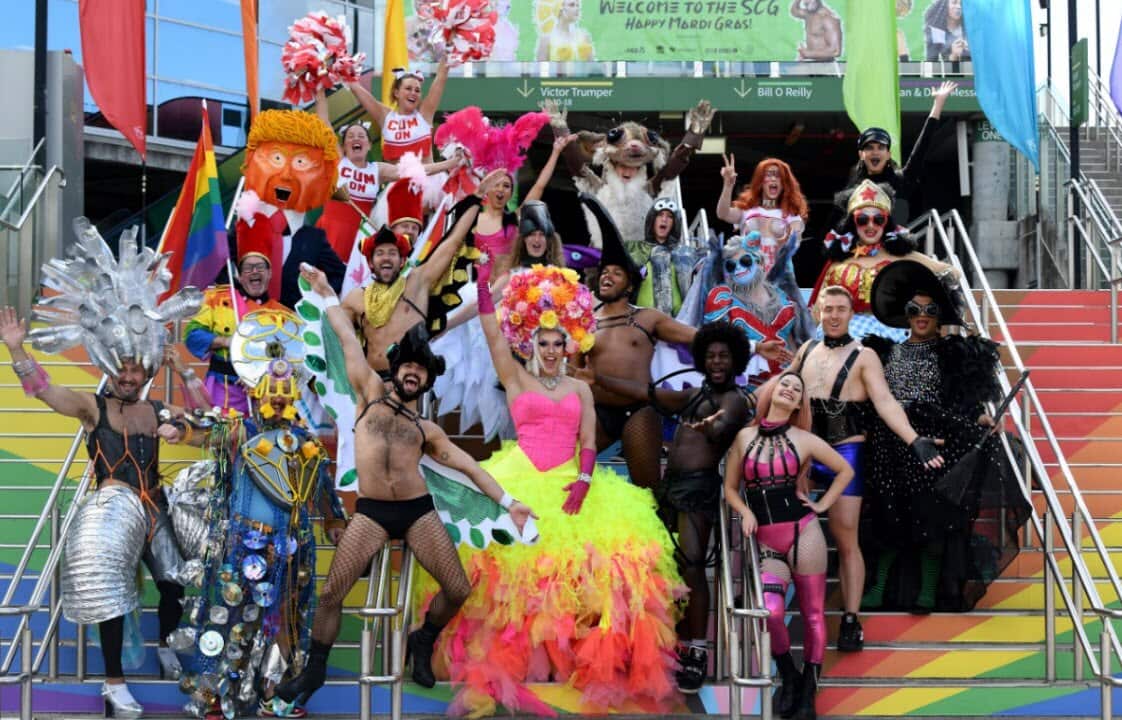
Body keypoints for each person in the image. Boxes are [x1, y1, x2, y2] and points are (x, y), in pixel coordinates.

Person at [414, 260, 684, 715]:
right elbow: (492, 334)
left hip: (571, 483)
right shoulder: (515, 377)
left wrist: (583, 481)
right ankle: (513, 659)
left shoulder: (580, 389)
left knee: (609, 565)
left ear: (569, 344)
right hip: (519, 478)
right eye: (544, 342)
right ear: (532, 344)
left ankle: (571, 662)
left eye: (559, 342)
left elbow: (588, 441)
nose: (553, 350)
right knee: (507, 570)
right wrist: (485, 291)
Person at [276, 268, 534, 708]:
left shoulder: (427, 429)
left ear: (427, 380)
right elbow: (346, 337)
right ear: (396, 370)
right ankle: (314, 668)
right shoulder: (368, 393)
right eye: (408, 366)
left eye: (421, 370)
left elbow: (471, 468)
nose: (413, 372)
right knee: (331, 593)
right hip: (371, 512)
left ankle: (424, 636)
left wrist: (510, 503)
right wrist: (326, 291)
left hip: (417, 512)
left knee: (458, 589)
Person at [580, 321, 754, 694]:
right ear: (702, 360)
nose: (717, 362)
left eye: (724, 356)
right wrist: (599, 379)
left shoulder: (735, 399)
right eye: (711, 356)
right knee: (667, 567)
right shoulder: (693, 394)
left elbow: (722, 427)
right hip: (670, 487)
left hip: (698, 489)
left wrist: (707, 425)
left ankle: (698, 651)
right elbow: (646, 392)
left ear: (736, 360)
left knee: (692, 565)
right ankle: (675, 641)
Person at [175, 345, 346, 719]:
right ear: (258, 395)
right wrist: (181, 429)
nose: (279, 401)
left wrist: (334, 522)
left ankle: (275, 693)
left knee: (286, 620)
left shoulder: (305, 442)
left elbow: (321, 487)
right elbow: (205, 432)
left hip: (292, 545)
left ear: (294, 398)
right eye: (273, 393)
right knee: (230, 615)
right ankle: (215, 694)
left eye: (285, 395)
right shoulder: (241, 431)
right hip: (244, 542)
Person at [861, 261, 1028, 613]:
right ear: (905, 314)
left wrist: (981, 417)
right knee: (888, 513)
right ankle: (880, 585)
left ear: (941, 315)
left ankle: (929, 589)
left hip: (938, 441)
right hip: (891, 443)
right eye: (914, 309)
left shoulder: (953, 354)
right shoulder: (885, 353)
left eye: (930, 310)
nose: (922, 316)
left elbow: (964, 400)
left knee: (934, 514)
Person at [790, 285, 945, 653]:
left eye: (841, 309)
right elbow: (779, 391)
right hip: (807, 452)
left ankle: (850, 618)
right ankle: (801, 611)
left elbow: (885, 402)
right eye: (828, 309)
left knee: (846, 538)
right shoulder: (805, 349)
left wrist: (914, 439)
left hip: (846, 452)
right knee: (792, 531)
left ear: (851, 314)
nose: (834, 315)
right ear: (818, 312)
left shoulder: (865, 355)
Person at [724, 372, 854, 720]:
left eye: (797, 389)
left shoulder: (805, 439)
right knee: (771, 613)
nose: (790, 389)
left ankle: (808, 688)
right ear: (772, 391)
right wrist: (744, 512)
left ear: (799, 404)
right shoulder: (744, 436)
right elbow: (730, 488)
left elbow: (845, 470)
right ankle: (789, 675)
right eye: (785, 384)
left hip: (803, 533)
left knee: (813, 614)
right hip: (767, 541)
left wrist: (822, 505)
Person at [579, 195, 697, 492]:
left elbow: (698, 337)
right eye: (605, 272)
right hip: (597, 412)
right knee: (567, 473)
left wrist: (753, 347)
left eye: (616, 273)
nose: (607, 276)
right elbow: (574, 370)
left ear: (630, 284)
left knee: (649, 491)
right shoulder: (584, 321)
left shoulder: (647, 318)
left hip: (639, 412)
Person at [339, 179, 490, 373]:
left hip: (408, 382)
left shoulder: (418, 282)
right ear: (370, 263)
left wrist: (476, 198)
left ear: (402, 260)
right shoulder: (355, 298)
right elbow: (336, 342)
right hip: (369, 381)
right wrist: (324, 292)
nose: (386, 258)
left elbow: (452, 242)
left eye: (392, 253)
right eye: (380, 253)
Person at [313, 87, 464, 261]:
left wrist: (449, 164)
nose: (356, 139)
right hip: (332, 230)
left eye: (361, 136)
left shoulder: (377, 169)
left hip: (360, 234)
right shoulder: (338, 161)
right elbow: (323, 123)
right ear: (344, 145)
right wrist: (319, 91)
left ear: (369, 145)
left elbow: (417, 171)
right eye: (351, 136)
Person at [811, 180, 955, 341]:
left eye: (878, 219)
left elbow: (951, 273)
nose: (870, 226)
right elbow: (817, 310)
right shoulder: (839, 261)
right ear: (852, 222)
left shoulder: (903, 256)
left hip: (893, 334)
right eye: (862, 220)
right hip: (845, 336)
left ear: (886, 223)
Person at [234, 110, 346, 309]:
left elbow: (341, 276)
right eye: (276, 158)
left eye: (300, 163)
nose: (286, 174)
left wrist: (314, 297)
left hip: (293, 323)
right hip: (246, 320)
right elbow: (219, 272)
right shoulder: (243, 227)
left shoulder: (314, 239)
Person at [183, 234, 287, 415]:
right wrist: (226, 341)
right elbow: (192, 336)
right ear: (238, 275)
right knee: (221, 433)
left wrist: (260, 377)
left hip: (266, 398)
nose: (254, 271)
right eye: (248, 268)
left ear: (270, 273)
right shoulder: (216, 298)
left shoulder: (283, 314)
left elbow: (290, 360)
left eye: (260, 267)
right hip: (221, 392)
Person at [831, 81, 957, 226]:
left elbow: (922, 146)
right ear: (861, 155)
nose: (875, 152)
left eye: (880, 148)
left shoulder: (901, 181)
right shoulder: (853, 189)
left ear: (888, 154)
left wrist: (938, 103)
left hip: (897, 240)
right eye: (870, 148)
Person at [716, 155, 813, 340]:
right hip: (747, 277)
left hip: (779, 280)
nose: (774, 179)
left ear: (785, 184)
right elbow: (723, 213)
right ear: (761, 181)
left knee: (786, 332)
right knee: (745, 328)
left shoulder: (791, 216)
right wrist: (728, 185)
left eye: (778, 176)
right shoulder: (747, 211)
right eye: (769, 175)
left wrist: (787, 234)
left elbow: (795, 242)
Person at [341, 61, 449, 162]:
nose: (413, 93)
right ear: (396, 93)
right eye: (408, 88)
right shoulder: (385, 116)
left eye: (417, 90)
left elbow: (441, 76)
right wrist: (342, 65)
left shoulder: (424, 114)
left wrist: (449, 53)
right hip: (396, 176)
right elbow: (355, 87)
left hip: (426, 176)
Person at [624, 196, 700, 316]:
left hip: (677, 320)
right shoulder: (634, 249)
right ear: (652, 219)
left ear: (675, 222)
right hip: (640, 320)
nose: (664, 219)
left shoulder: (687, 253)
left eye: (670, 216)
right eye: (660, 215)